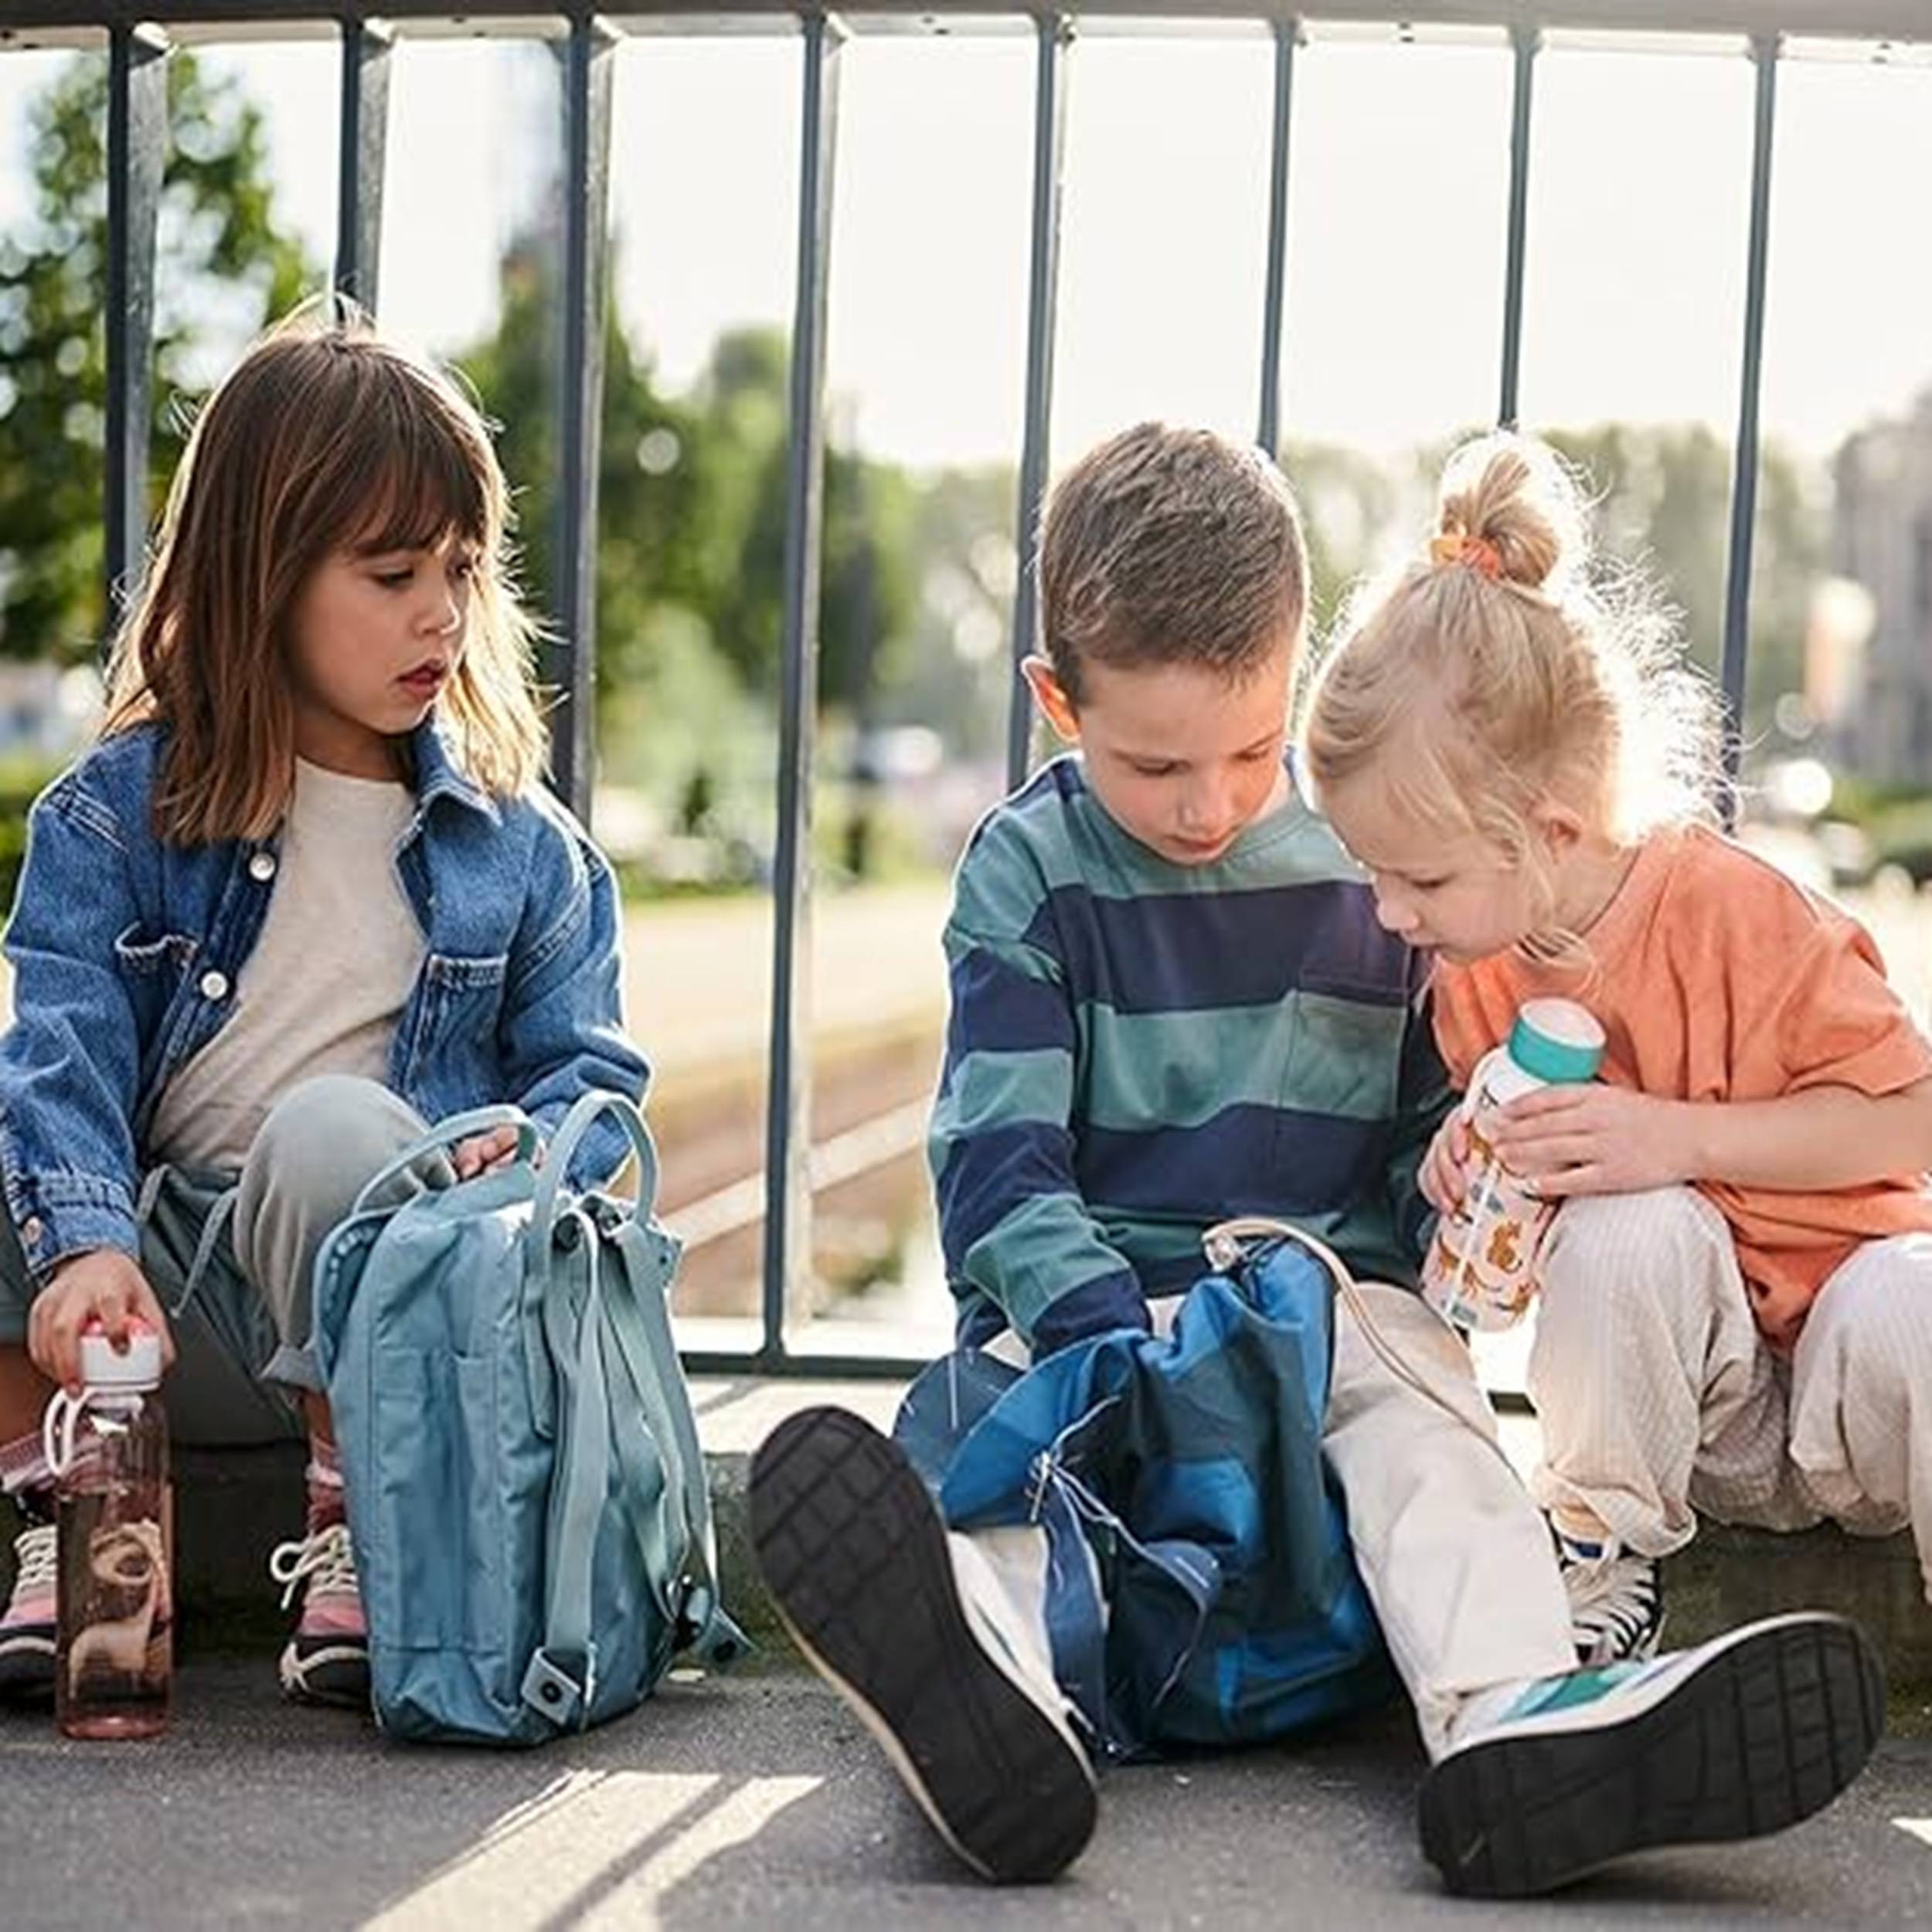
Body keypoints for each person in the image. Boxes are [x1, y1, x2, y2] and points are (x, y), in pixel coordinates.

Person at [750, 422, 1881, 1897]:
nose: (1208, 804)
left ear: (1292, 668)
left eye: (1246, 745)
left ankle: (1519, 1716)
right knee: (1016, 1461)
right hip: (1105, 1309)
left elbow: (1423, 1124)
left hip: (1323, 1302)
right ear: (1055, 700)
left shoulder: (1372, 861)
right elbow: (998, 1160)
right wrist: (1104, 1330)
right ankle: (991, 1686)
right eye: (1154, 763)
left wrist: (1468, 1180)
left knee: (1428, 1433)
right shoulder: (1028, 873)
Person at [0, 301, 648, 1709]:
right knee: (25, 1131)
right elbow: (62, 1047)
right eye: (392, 572)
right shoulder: (118, 821)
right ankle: (74, 1520)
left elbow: (591, 1092)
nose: (442, 613)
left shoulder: (523, 855)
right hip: (165, 1314)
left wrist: (522, 1158)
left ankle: (366, 1520)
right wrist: (83, 1249)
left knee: (332, 1132)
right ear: (263, 578)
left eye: (463, 571)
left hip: (392, 1316)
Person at [1303, 429, 1932, 1668]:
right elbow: (1551, 1259)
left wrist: (1675, 1139)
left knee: (1917, 1298)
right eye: (1373, 874)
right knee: (1625, 1227)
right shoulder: (1473, 976)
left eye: (1416, 875)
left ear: (1549, 828)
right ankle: (1597, 1559)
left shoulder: (1747, 918)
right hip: (1701, 1416)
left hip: (1859, 1375)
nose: (1388, 913)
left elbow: (1913, 1116)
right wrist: (1472, 1179)